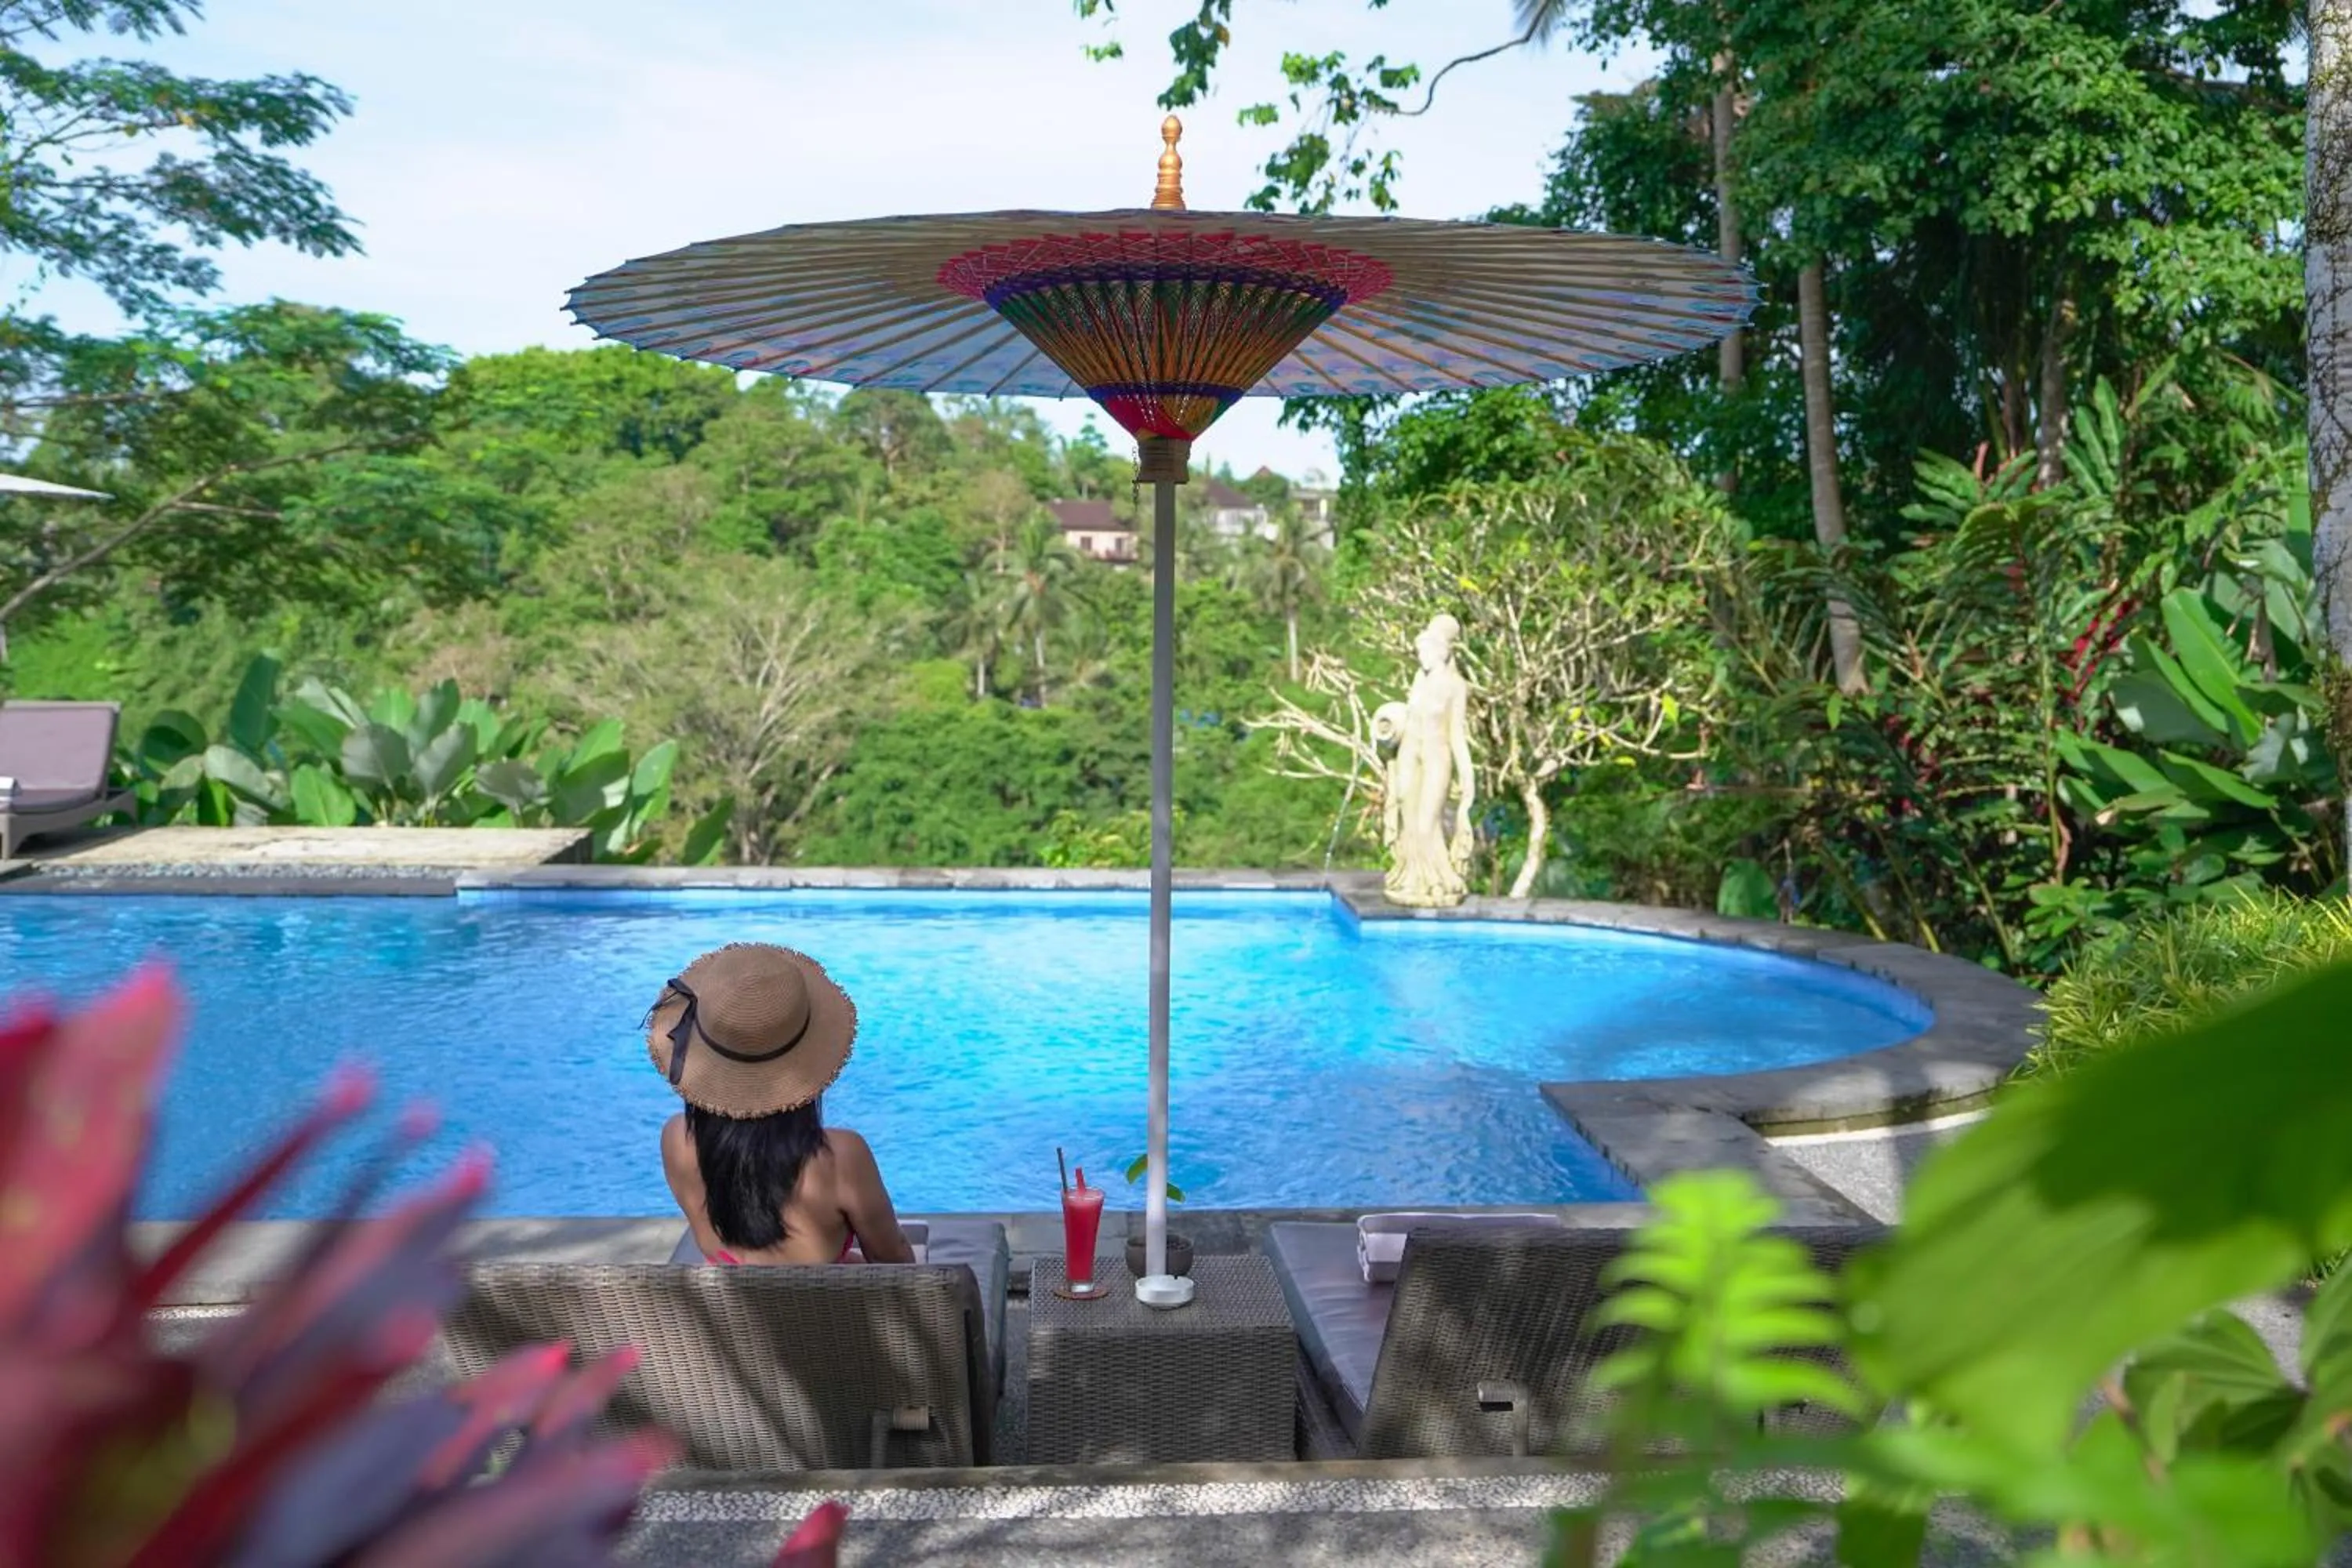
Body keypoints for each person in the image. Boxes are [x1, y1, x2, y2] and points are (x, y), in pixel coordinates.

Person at [644, 942, 915, 1265]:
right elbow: (893, 1261)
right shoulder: (841, 1157)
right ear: (809, 1059)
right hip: (829, 1313)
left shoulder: (677, 1139)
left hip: (729, 1311)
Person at [1383, 612, 1476, 907]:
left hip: (1438, 755)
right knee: (1408, 819)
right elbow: (1406, 718)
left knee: (1427, 823)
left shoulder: (1456, 686)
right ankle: (1414, 879)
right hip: (1410, 752)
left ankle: (1438, 880)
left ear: (1442, 650)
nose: (1420, 655)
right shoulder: (1418, 680)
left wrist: (1467, 777)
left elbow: (1458, 735)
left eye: (1425, 649)